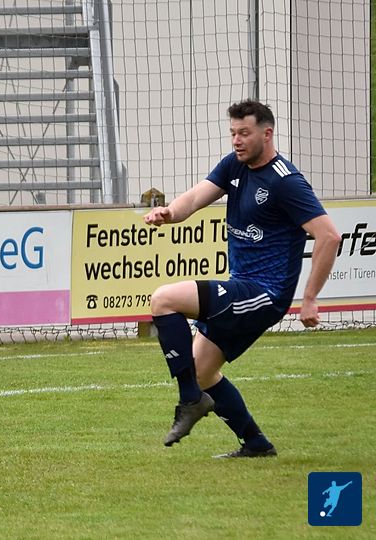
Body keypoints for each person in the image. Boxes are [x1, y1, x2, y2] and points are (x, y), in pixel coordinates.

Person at [143, 100, 340, 457]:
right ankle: (256, 444)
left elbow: (329, 236)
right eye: (233, 133)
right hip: (242, 284)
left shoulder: (286, 183)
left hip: (264, 293)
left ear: (267, 134)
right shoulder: (235, 165)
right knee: (202, 371)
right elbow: (195, 197)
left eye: (244, 133)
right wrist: (170, 212)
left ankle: (190, 401)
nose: (236, 140)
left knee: (164, 299)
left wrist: (310, 298)